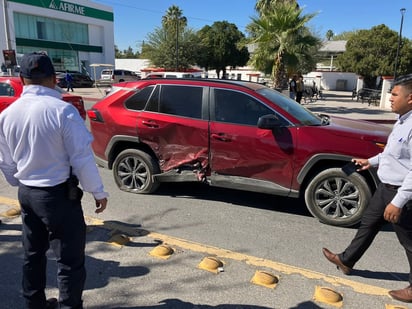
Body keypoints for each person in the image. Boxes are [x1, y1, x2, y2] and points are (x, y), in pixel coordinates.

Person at [0, 52, 108, 308]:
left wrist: (20, 182)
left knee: (32, 254)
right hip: (57, 196)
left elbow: (5, 161)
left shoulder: (7, 114)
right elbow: (81, 158)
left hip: (27, 193)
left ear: (22, 79)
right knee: (69, 259)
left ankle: (34, 304)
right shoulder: (63, 112)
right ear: (53, 78)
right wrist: (98, 191)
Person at [322, 73, 412, 303]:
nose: (390, 98)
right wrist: (370, 162)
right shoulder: (402, 120)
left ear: (410, 98)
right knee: (368, 223)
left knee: (409, 242)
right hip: (386, 187)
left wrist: (398, 202)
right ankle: (346, 260)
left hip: (402, 193)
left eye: (394, 94)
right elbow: (392, 155)